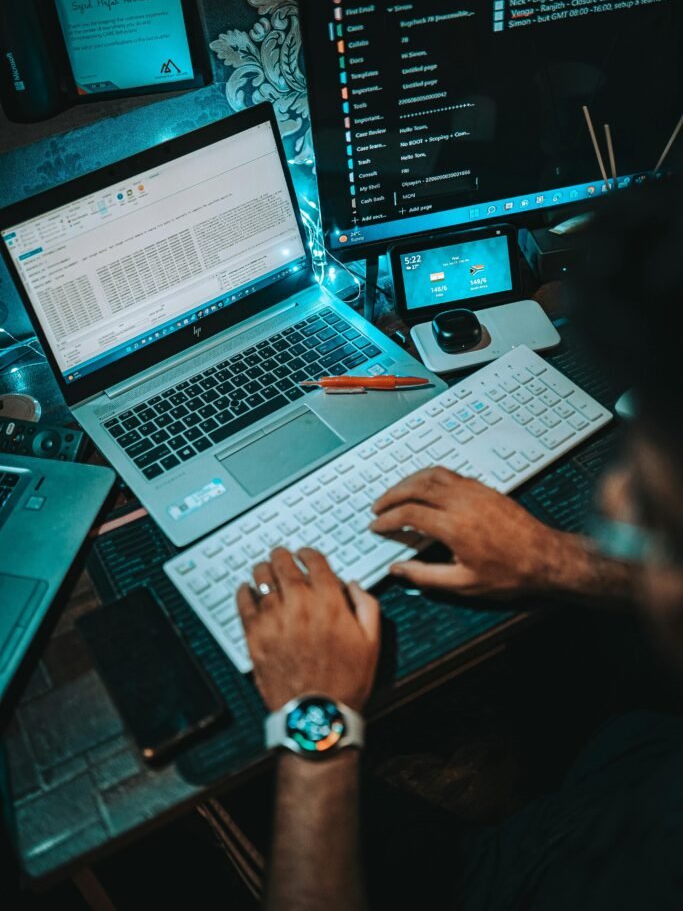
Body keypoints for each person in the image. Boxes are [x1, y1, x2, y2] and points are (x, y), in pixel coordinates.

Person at [237, 180, 683, 910]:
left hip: (544, 869)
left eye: (649, 474)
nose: (613, 494)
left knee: (258, 798)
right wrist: (559, 560)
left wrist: (314, 714)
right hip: (640, 763)